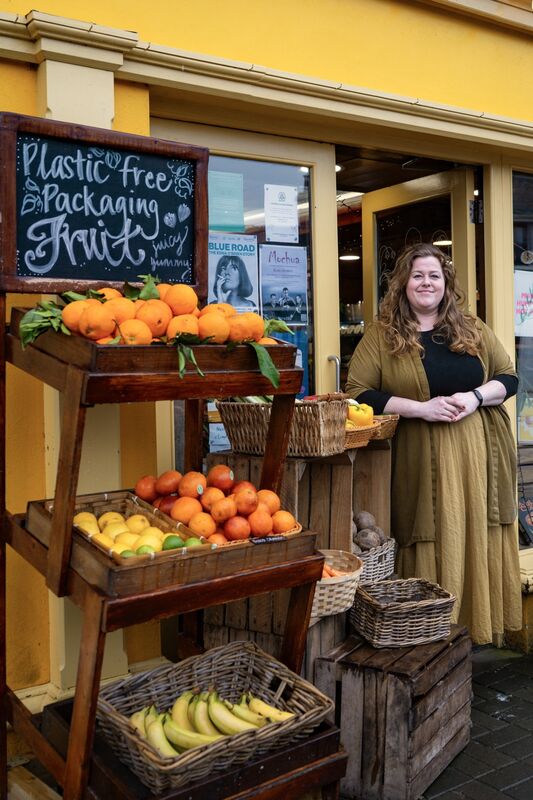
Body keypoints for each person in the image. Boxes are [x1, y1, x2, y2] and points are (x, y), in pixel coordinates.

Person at [346, 242, 521, 645]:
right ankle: (427, 633)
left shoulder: (472, 328)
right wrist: (420, 409)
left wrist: (475, 396)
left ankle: (469, 631)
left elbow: (509, 378)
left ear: (446, 284)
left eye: (434, 276)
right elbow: (358, 392)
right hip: (418, 453)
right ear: (404, 283)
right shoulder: (382, 335)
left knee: (473, 531)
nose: (426, 283)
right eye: (418, 275)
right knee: (429, 533)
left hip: (478, 454)